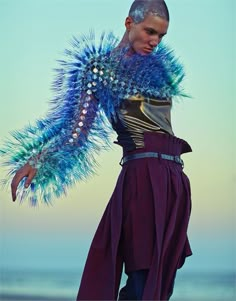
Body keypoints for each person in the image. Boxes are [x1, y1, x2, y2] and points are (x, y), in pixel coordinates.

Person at [1, 0, 192, 300]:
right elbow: (74, 129)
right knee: (143, 284)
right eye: (149, 31)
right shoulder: (99, 71)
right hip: (142, 179)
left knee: (160, 286)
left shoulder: (159, 70)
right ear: (129, 23)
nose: (155, 41)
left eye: (161, 36)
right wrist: (37, 160)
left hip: (173, 181)